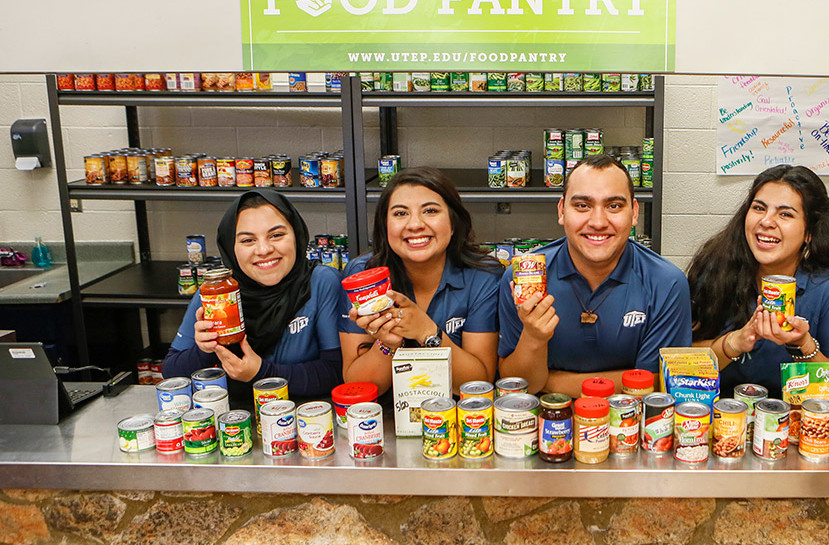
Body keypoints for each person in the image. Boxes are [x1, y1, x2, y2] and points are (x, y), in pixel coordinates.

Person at [497, 154, 691, 397]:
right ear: (561, 211)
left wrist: (555, 383)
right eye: (582, 206)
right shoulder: (523, 280)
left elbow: (653, 383)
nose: (598, 222)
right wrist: (534, 338)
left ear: (634, 213)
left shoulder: (667, 283)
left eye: (614, 206)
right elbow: (519, 385)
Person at [688, 165, 829, 398]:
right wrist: (736, 342)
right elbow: (681, 362)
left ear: (809, 233)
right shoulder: (715, 270)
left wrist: (802, 344)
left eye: (785, 214)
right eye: (759, 208)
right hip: (721, 417)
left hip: (799, 422)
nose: (766, 221)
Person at [163, 190, 352, 398]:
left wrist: (261, 373)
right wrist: (204, 350)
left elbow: (338, 372)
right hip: (232, 421)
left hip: (309, 419)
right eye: (247, 240)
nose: (263, 250)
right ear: (230, 247)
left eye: (276, 235)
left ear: (297, 236)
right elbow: (171, 374)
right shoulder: (219, 292)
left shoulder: (322, 282)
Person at [345, 167, 503, 391]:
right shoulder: (361, 275)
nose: (415, 224)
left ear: (453, 222)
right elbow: (358, 388)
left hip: (460, 415)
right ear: (384, 225)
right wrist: (388, 344)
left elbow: (478, 383)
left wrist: (427, 332)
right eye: (400, 213)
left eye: (430, 211)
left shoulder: (484, 276)